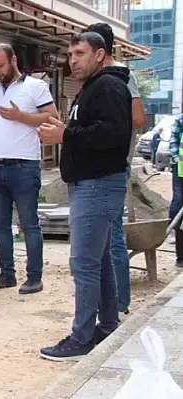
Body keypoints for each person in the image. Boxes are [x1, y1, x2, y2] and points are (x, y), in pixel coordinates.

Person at [38, 32, 132, 361]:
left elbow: (114, 134)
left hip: (97, 184)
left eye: (80, 53)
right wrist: (65, 133)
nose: (72, 60)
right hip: (92, 183)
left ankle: (81, 338)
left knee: (84, 263)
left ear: (100, 54)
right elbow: (96, 132)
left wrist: (65, 133)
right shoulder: (94, 87)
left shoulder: (107, 86)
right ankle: (106, 326)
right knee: (100, 260)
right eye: (70, 54)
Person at [0, 43, 59, 294]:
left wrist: (21, 116)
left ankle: (34, 277)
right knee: (0, 224)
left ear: (13, 60)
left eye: (1, 65)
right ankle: (7, 273)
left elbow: (52, 117)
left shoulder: (36, 86)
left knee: (28, 223)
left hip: (24, 165)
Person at [84, 22, 147, 316]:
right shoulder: (99, 79)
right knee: (104, 239)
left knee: (113, 237)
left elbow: (137, 119)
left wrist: (106, 126)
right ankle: (108, 305)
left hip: (113, 167)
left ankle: (119, 302)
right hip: (97, 169)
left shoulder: (120, 76)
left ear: (100, 50)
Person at [169, 115, 183, 268]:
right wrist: (176, 158)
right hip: (180, 172)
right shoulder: (180, 121)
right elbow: (173, 146)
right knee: (178, 204)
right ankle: (181, 256)